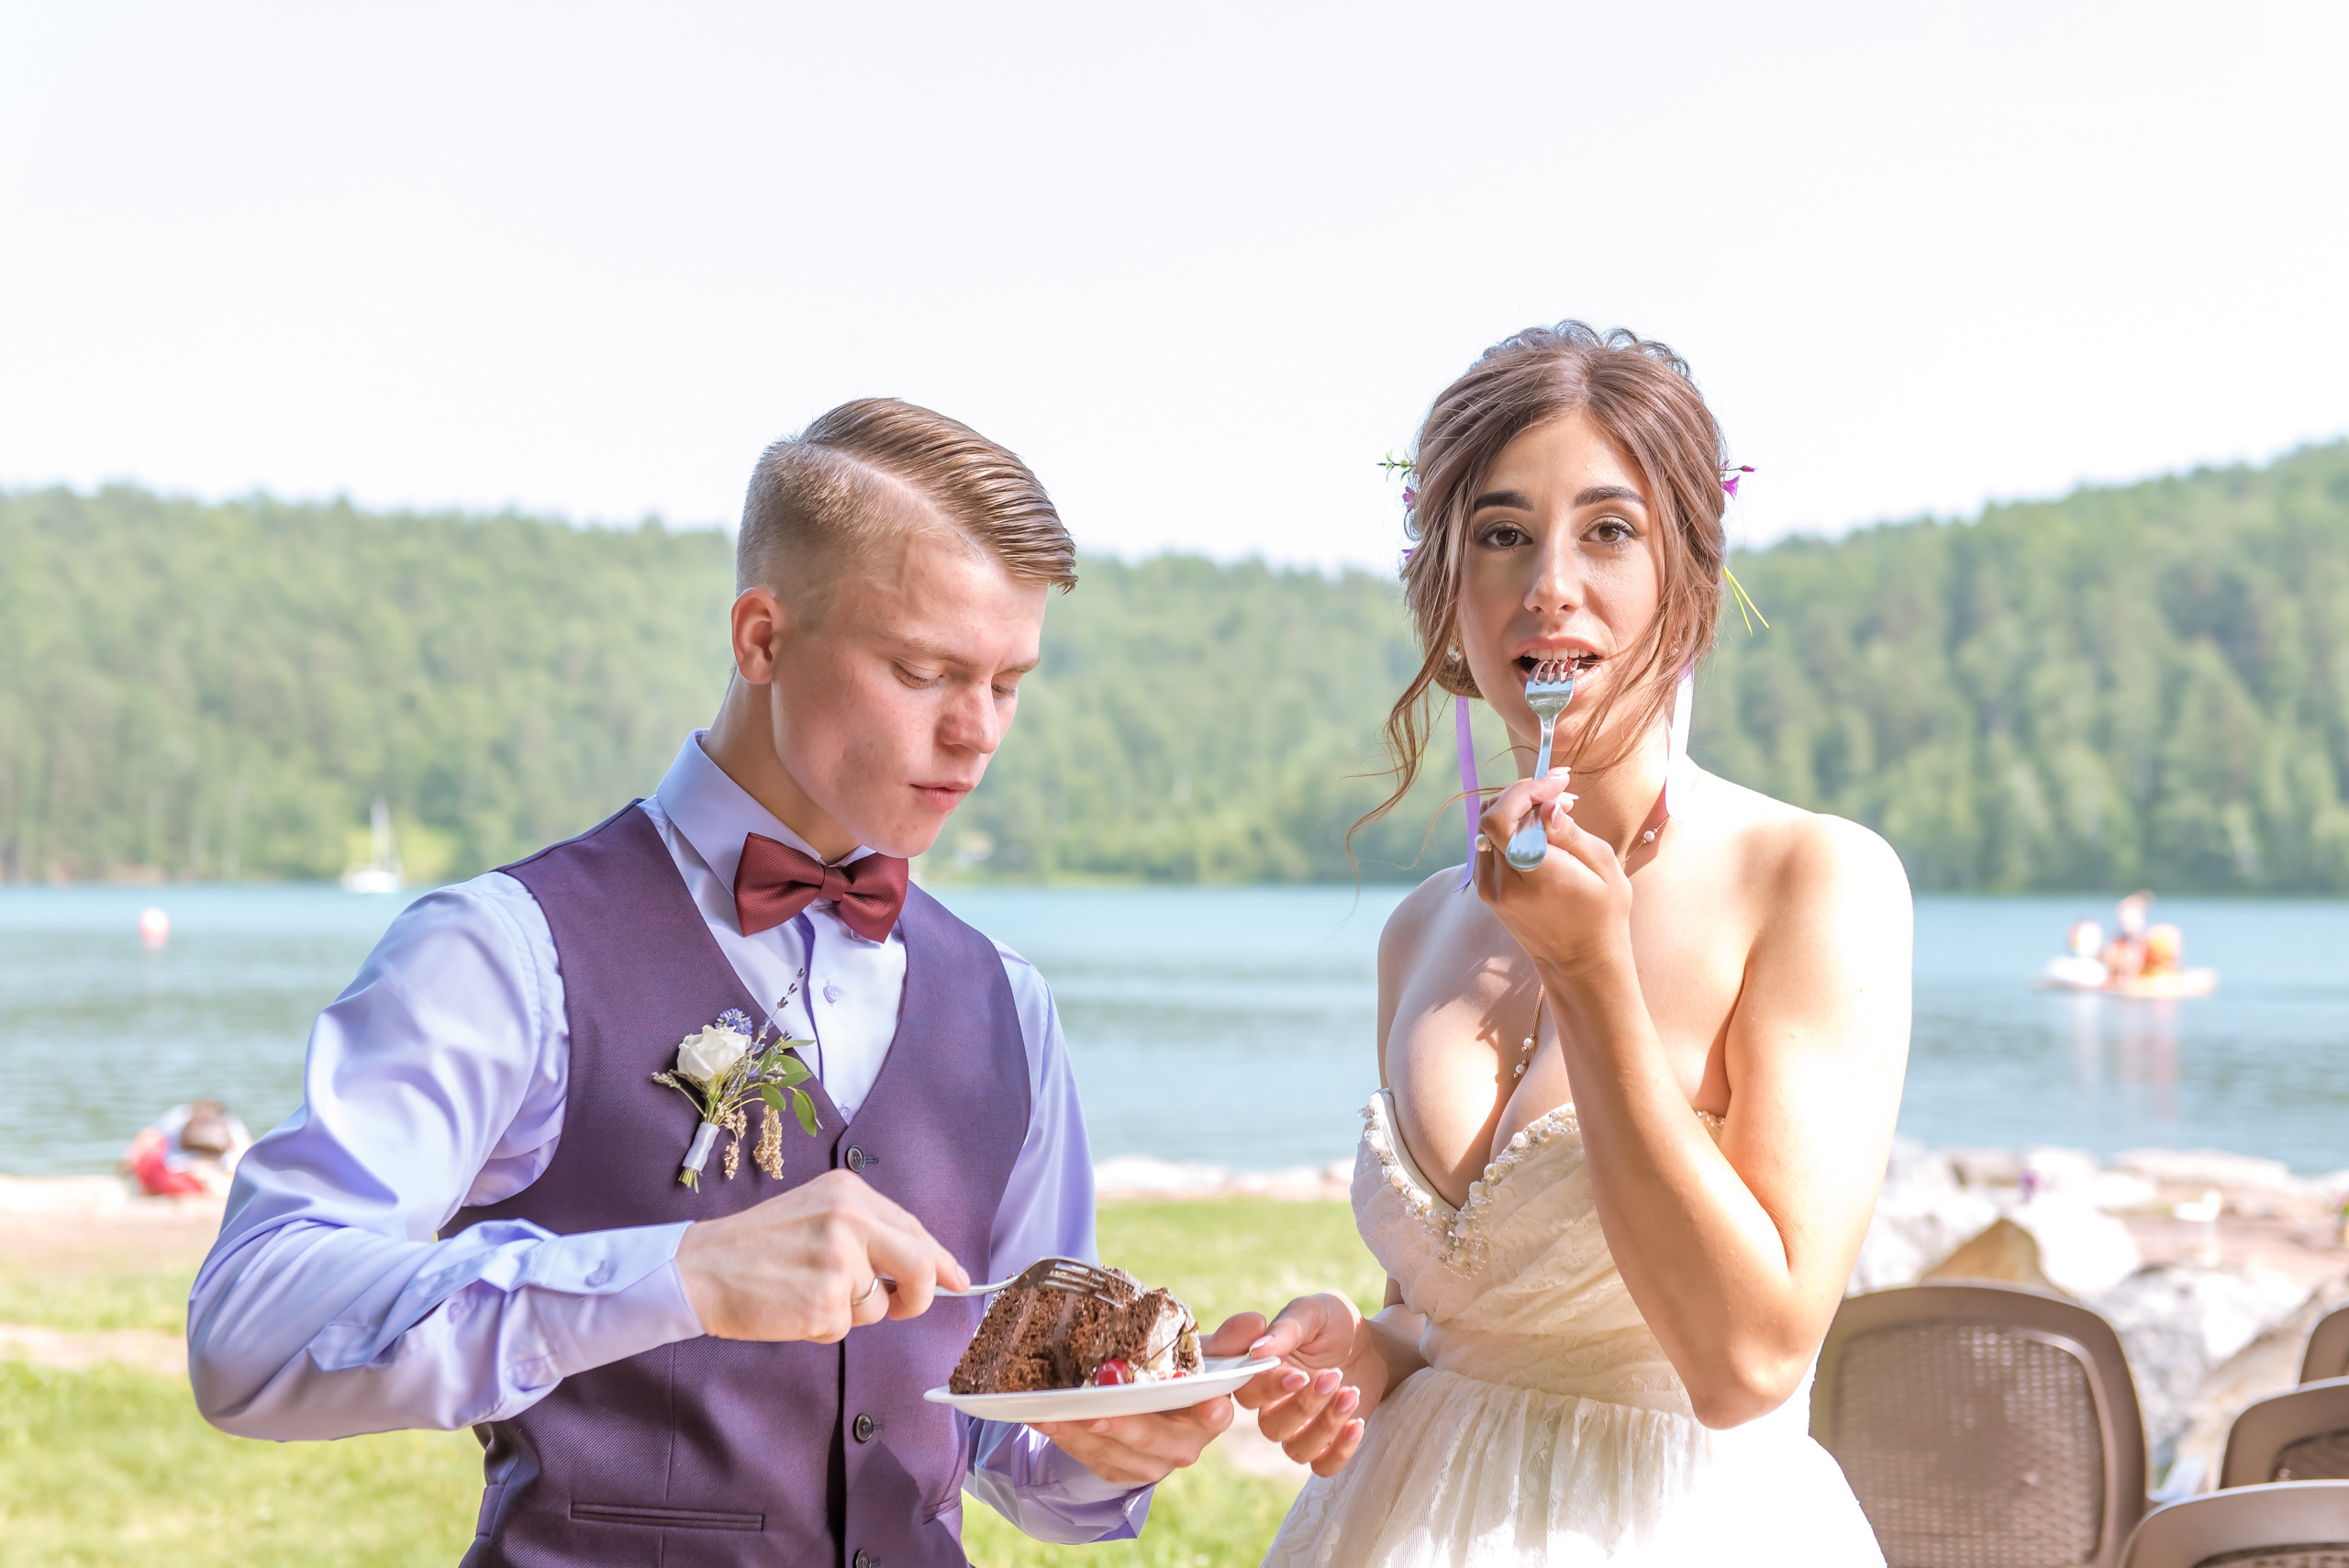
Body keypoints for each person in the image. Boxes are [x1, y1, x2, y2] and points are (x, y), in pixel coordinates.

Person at [188, 400, 1245, 1566]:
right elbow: (250, 1328)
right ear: (761, 638)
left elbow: (1008, 1445)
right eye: (924, 670)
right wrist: (678, 1272)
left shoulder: (1007, 1003)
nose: (976, 731)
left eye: (1008, 682)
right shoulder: (504, 949)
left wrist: (1111, 1442)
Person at [1232, 325, 1911, 1563]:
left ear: (1687, 576)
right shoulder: (1421, 927)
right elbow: (1454, 1319)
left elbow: (1748, 1362)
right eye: (1502, 534)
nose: (1550, 584)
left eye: (1609, 530)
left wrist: (1594, 977)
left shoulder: (1813, 880)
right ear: (1449, 586)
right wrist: (1360, 1347)